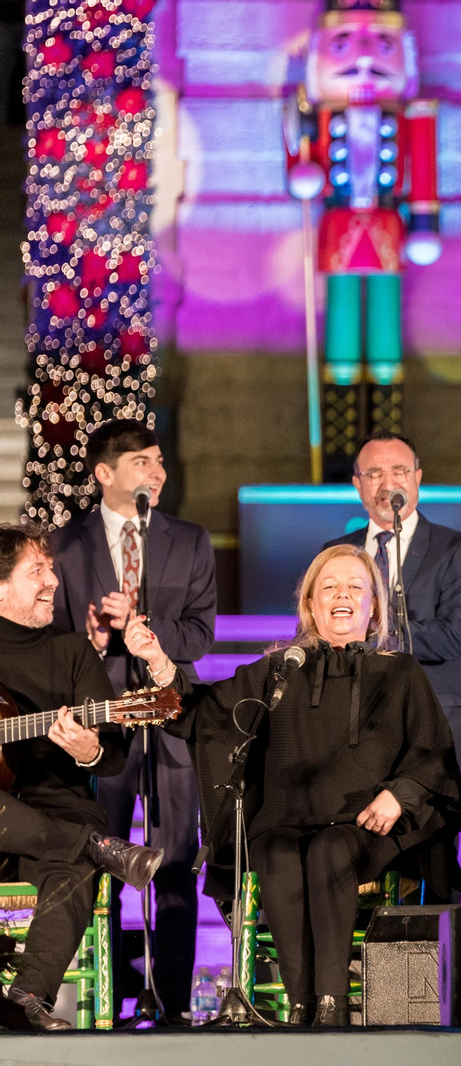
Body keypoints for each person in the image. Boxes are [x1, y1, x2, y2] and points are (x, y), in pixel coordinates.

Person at [125, 545, 461, 1026]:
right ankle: (301, 1004)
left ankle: (330, 1006)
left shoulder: (400, 673)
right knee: (278, 852)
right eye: (329, 587)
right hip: (286, 823)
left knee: (329, 849)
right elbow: (203, 715)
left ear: (373, 608)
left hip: (367, 827)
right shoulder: (280, 670)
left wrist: (400, 795)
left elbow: (433, 754)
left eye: (355, 587)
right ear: (310, 605)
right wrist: (159, 660)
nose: (341, 595)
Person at [49, 418, 215, 1022]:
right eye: (143, 462)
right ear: (104, 473)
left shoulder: (190, 540)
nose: (157, 473)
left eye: (160, 462)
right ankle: (109, 999)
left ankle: (172, 1003)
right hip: (102, 723)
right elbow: (48, 645)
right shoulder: (65, 546)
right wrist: (92, 641)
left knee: (175, 859)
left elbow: (200, 634)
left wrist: (144, 633)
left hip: (171, 714)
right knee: (106, 858)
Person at [0, 525, 163, 1031]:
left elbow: (113, 755)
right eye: (37, 571)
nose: (53, 579)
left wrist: (90, 749)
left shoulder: (72, 651)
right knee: (81, 851)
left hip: (56, 807)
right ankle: (97, 845)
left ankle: (26, 998)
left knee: (70, 872)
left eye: (51, 567)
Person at [324, 431, 461, 771]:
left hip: (431, 719)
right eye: (374, 474)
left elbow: (452, 638)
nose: (388, 483)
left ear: (417, 478)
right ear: (357, 484)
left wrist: (366, 635)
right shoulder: (334, 552)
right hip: (350, 721)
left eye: (399, 471)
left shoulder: (458, 550)